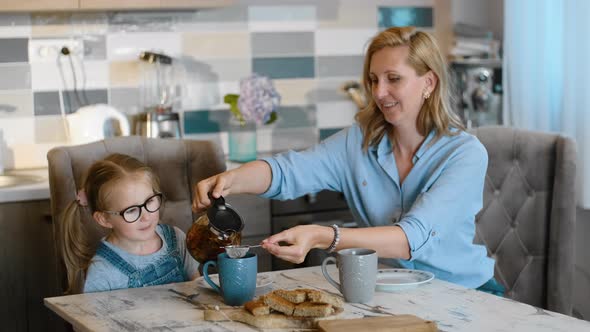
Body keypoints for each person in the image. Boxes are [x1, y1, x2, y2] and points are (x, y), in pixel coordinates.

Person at [193, 26, 502, 294]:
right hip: (387, 291)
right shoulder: (358, 142)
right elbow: (288, 172)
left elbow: (411, 238)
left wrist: (322, 235)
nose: (380, 93)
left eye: (393, 78)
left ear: (429, 83)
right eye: (373, 80)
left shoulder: (465, 154)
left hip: (464, 293)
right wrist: (231, 179)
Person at [61, 153, 199, 294]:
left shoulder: (177, 239)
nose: (145, 217)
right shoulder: (102, 271)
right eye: (131, 210)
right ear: (104, 219)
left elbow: (197, 288)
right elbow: (96, 316)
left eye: (150, 201)